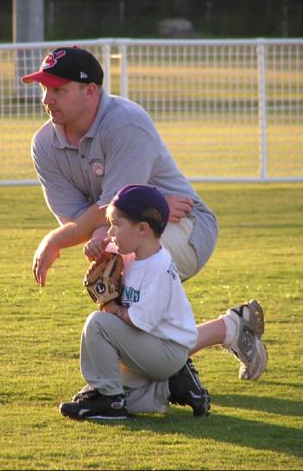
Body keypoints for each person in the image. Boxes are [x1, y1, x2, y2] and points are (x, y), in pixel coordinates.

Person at [21, 46, 267, 381]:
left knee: (126, 291)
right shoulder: (44, 143)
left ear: (90, 91)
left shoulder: (125, 122)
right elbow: (78, 217)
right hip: (130, 230)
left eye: (58, 90)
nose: (48, 98)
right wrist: (91, 231)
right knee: (122, 286)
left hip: (187, 227)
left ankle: (179, 366)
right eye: (45, 89)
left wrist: (56, 241)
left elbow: (114, 208)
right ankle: (229, 329)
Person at [59, 184, 211, 420]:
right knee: (119, 389)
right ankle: (172, 388)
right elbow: (103, 249)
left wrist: (111, 307)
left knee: (98, 323)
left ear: (142, 229)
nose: (110, 232)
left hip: (166, 350)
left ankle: (110, 402)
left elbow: (140, 321)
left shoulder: (158, 268)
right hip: (154, 346)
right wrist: (94, 247)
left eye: (116, 225)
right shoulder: (134, 252)